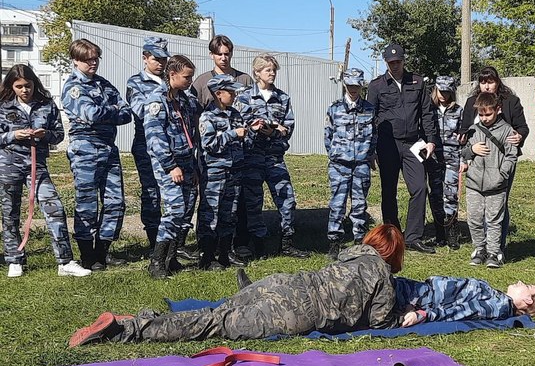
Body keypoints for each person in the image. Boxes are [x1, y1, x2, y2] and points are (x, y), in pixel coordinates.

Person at [68, 224, 405, 346]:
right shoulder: (382, 275)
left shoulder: (347, 257)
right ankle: (125, 331)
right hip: (295, 313)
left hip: (283, 283)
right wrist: (411, 316)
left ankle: (142, 318)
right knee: (214, 325)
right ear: (393, 254)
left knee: (217, 311)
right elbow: (380, 322)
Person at [0, 65, 90, 278]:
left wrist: (44, 135)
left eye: (28, 86)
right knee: (9, 212)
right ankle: (14, 259)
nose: (24, 90)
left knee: (55, 208)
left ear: (34, 84)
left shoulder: (46, 104)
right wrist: (14, 136)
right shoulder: (3, 106)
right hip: (9, 164)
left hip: (36, 165)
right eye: (19, 86)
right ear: (11, 86)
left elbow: (58, 135)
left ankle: (65, 261)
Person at [61, 39, 132, 271]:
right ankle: (87, 255)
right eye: (87, 59)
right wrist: (112, 111)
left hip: (108, 147)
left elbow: (127, 114)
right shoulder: (73, 86)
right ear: (76, 60)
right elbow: (91, 114)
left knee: (115, 201)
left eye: (95, 58)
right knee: (87, 203)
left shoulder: (104, 84)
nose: (93, 63)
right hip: (85, 148)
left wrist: (108, 112)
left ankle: (103, 252)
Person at [367, 43, 440, 254]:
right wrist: (372, 149)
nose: (395, 65)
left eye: (398, 61)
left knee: (419, 188)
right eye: (391, 63)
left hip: (412, 143)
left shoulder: (417, 82)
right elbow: (369, 118)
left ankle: (413, 237)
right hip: (387, 144)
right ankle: (391, 235)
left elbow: (426, 113)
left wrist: (431, 140)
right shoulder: (376, 86)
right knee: (388, 191)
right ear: (386, 63)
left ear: (403, 60)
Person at [236, 54, 309, 259]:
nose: (272, 73)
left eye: (274, 69)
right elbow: (238, 124)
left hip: (274, 158)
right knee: (253, 202)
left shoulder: (283, 98)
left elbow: (289, 127)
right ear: (257, 72)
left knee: (287, 199)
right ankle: (258, 244)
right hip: (251, 157)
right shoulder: (244, 97)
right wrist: (255, 128)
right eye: (267, 69)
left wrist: (275, 131)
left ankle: (287, 242)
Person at [460, 66, 528, 261]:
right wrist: (468, 149)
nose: (486, 86)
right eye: (483, 82)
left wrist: (519, 137)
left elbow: (521, 128)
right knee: (475, 214)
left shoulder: (510, 102)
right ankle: (480, 249)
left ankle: (497, 249)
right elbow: (465, 131)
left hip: (499, 166)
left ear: (497, 82)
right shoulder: (472, 102)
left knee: (497, 210)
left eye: (490, 81)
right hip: (477, 170)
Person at [144, 55, 201, 279]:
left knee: (186, 210)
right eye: (186, 77)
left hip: (187, 162)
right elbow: (154, 137)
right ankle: (156, 262)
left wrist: (194, 168)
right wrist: (170, 166)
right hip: (170, 164)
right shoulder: (157, 100)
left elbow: (191, 133)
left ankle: (171, 258)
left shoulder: (185, 100)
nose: (189, 81)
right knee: (175, 209)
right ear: (172, 74)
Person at [197, 74, 262, 271]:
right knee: (211, 214)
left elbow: (244, 142)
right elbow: (209, 145)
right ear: (218, 93)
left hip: (234, 172)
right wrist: (233, 134)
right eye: (231, 92)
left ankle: (224, 253)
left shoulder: (235, 114)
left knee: (229, 213)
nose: (234, 95)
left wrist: (252, 131)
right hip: (215, 172)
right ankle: (207, 257)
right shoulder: (207, 117)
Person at [323, 68, 376, 260]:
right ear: (345, 84)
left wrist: (367, 155)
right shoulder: (335, 108)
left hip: (361, 164)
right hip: (339, 165)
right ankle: (335, 241)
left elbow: (374, 136)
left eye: (357, 85)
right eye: (350, 85)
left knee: (360, 204)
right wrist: (336, 155)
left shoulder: (369, 109)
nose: (354, 89)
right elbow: (328, 135)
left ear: (362, 85)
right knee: (337, 204)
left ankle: (359, 240)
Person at [125, 36, 170, 256]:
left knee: (175, 195)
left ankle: (172, 243)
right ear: (145, 57)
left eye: (164, 59)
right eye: (156, 58)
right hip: (147, 145)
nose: (161, 63)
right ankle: (154, 243)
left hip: (173, 145)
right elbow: (140, 111)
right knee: (151, 192)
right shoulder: (136, 82)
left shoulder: (170, 80)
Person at [394, 276, 535, 325]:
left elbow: (460, 311)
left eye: (527, 286)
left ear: (528, 300)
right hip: (420, 292)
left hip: (420, 297)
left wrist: (422, 314)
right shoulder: (499, 299)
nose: (520, 282)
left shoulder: (498, 305)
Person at [425, 75, 463, 249]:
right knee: (435, 194)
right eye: (441, 91)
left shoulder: (459, 111)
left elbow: (464, 137)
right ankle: (439, 231)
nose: (443, 95)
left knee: (451, 194)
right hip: (433, 157)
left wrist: (463, 158)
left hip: (452, 155)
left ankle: (452, 231)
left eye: (447, 92)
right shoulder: (428, 109)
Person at [191, 35, 253, 109]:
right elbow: (194, 111)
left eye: (226, 54)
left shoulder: (245, 79)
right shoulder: (202, 82)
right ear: (211, 55)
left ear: (231, 54)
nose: (223, 58)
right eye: (219, 54)